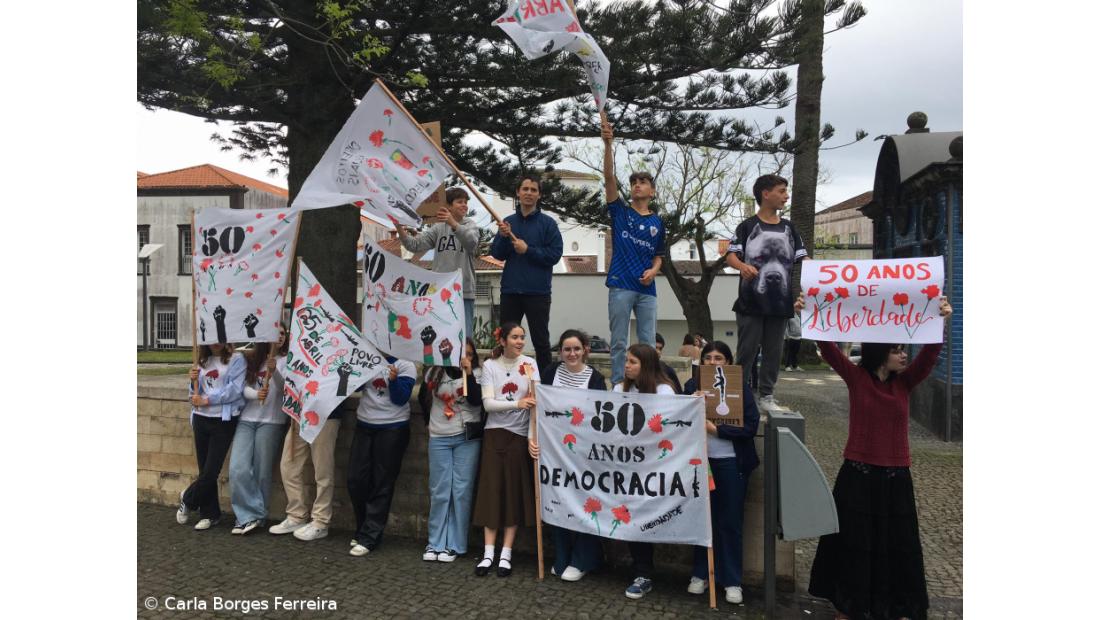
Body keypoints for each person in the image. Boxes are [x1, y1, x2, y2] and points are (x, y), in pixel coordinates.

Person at [804, 294, 954, 620]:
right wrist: (810, 312)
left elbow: (930, 355)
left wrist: (941, 319)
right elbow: (829, 350)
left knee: (895, 546)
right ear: (879, 354)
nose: (903, 355)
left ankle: (894, 605)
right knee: (854, 544)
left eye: (902, 350)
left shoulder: (906, 383)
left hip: (895, 478)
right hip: (857, 476)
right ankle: (850, 605)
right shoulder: (857, 379)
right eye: (896, 350)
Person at [681, 341, 760, 605]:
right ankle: (700, 574)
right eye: (708, 358)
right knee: (703, 521)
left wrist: (716, 429)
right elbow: (677, 423)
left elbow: (750, 426)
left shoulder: (741, 388)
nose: (713, 362)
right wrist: (690, 407)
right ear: (701, 362)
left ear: (728, 362)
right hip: (701, 463)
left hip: (731, 463)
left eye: (719, 358)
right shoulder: (692, 387)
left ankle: (732, 580)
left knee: (730, 522)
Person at [530, 329, 608, 582]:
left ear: (585, 349)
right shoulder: (551, 373)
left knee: (586, 504)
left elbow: (600, 418)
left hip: (584, 453)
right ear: (560, 351)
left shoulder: (595, 378)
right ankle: (562, 556)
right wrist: (533, 438)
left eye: (576, 348)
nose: (572, 353)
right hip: (554, 451)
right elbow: (539, 409)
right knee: (557, 501)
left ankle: (583, 558)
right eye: (567, 349)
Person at [725, 174, 807, 411]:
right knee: (746, 351)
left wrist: (823, 281)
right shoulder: (747, 227)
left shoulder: (789, 228)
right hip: (750, 302)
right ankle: (737, 396)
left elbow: (805, 260)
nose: (786, 196)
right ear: (766, 193)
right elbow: (731, 255)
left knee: (774, 352)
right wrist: (742, 266)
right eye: (782, 191)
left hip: (781, 304)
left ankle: (767, 396)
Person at [472, 322, 540, 577]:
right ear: (503, 341)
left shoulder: (530, 365)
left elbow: (536, 406)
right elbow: (488, 404)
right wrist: (517, 402)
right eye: (515, 337)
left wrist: (532, 439)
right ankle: (488, 552)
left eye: (522, 337)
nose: (520, 341)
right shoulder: (490, 366)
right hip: (494, 434)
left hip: (519, 436)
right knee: (492, 492)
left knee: (512, 494)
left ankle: (506, 554)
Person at [601, 116, 665, 385]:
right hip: (621, 285)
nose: (637, 185)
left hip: (646, 289)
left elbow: (659, 256)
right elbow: (608, 178)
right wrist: (608, 144)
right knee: (619, 340)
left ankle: (648, 384)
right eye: (634, 182)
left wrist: (653, 270)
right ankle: (619, 383)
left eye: (643, 182)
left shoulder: (658, 221)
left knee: (648, 342)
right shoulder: (621, 213)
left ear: (652, 191)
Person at [613, 344, 677, 600]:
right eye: (626, 361)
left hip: (654, 468)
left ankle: (644, 571)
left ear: (646, 365)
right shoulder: (619, 389)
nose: (626, 366)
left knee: (647, 517)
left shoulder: (664, 390)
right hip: (626, 467)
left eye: (632, 362)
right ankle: (640, 569)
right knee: (631, 516)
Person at [417, 338, 484, 562]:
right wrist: (429, 422)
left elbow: (476, 401)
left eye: (470, 354)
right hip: (439, 437)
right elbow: (422, 399)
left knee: (461, 491)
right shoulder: (434, 373)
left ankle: (455, 544)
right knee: (439, 490)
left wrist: (469, 373)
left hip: (467, 437)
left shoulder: (478, 374)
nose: (466, 357)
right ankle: (435, 542)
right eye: (462, 353)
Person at [490, 174, 563, 376]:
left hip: (537, 292)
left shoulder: (548, 224)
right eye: (525, 189)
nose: (529, 193)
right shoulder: (508, 223)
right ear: (518, 192)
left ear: (539, 195)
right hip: (511, 290)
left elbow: (555, 255)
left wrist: (528, 250)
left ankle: (546, 384)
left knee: (541, 341)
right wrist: (504, 237)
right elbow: (497, 254)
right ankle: (503, 379)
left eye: (533, 190)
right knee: (505, 339)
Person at [346, 354, 418, 557]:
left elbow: (400, 398)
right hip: (365, 425)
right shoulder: (367, 357)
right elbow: (355, 388)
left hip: (392, 428)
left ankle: (371, 536)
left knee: (382, 482)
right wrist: (356, 370)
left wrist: (394, 381)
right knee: (355, 479)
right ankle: (362, 528)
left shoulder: (406, 363)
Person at [269, 359, 344, 541]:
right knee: (289, 465)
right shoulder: (304, 348)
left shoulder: (339, 349)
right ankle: (297, 514)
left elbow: (346, 387)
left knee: (323, 470)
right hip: (301, 412)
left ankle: (321, 521)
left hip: (326, 414)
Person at [394, 188, 480, 338]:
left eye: (466, 202)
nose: (464, 205)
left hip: (464, 292)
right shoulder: (438, 228)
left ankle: (465, 363)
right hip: (440, 292)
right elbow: (414, 245)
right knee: (441, 336)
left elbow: (471, 242)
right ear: (448, 206)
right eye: (459, 202)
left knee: (464, 338)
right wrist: (399, 227)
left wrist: (453, 223)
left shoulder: (470, 224)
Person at [177, 342, 246, 531]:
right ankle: (209, 514)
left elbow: (235, 390)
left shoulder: (237, 359)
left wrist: (208, 400)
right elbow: (193, 395)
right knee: (204, 470)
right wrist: (192, 382)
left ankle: (188, 498)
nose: (216, 342)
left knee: (211, 471)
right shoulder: (200, 361)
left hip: (223, 421)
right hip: (201, 419)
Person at [228, 327, 289, 535]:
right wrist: (256, 394)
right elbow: (242, 387)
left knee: (262, 471)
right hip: (247, 419)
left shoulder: (288, 360)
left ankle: (257, 517)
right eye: (276, 332)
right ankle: (246, 515)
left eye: (283, 333)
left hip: (272, 421)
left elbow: (286, 390)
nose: (280, 336)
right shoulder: (252, 359)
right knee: (238, 468)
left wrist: (275, 372)